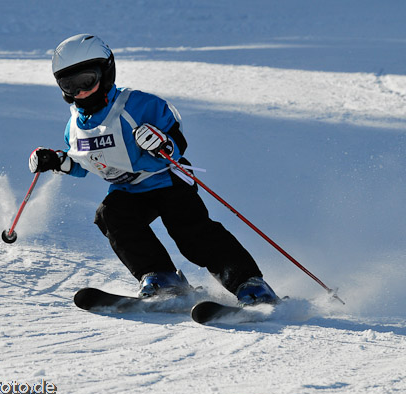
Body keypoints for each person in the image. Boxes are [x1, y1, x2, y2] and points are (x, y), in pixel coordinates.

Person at [29, 33, 279, 306]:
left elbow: (176, 137)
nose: (80, 92)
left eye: (86, 80)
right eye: (69, 85)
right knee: (111, 215)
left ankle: (249, 284)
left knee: (191, 234)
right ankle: (162, 277)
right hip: (128, 189)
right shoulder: (75, 127)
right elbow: (83, 164)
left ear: (107, 71)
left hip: (167, 180)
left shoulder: (138, 105)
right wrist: (56, 161)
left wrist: (162, 143)